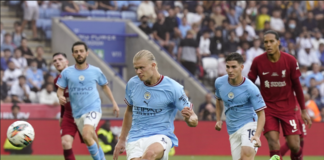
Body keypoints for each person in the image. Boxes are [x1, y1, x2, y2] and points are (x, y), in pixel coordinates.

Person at [113, 50, 198, 160]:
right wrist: (122, 140)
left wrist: (190, 119)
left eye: (141, 67)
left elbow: (193, 117)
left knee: (149, 155)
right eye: (136, 68)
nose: (138, 71)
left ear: (153, 65)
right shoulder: (132, 84)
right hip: (135, 138)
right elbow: (129, 112)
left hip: (160, 136)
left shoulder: (173, 87)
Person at [248, 30, 312, 160]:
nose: (268, 44)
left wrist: (303, 110)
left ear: (278, 42)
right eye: (266, 42)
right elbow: (249, 84)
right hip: (268, 109)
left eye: (271, 41)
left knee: (294, 145)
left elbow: (297, 87)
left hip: (288, 108)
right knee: (273, 142)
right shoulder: (258, 61)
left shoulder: (290, 60)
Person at [56, 41, 120, 160]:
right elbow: (60, 90)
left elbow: (105, 86)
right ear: (73, 55)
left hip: (93, 109)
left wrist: (114, 102)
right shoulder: (67, 72)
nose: (79, 54)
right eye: (76, 52)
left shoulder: (95, 71)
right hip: (77, 114)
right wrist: (60, 96)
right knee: (90, 139)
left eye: (81, 51)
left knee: (86, 134)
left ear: (87, 53)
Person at [214, 53, 266, 160]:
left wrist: (257, 134)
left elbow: (261, 114)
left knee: (246, 156)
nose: (230, 70)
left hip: (249, 123)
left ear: (241, 67)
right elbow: (218, 100)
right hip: (232, 129)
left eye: (234, 67)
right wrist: (219, 119)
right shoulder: (219, 82)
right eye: (228, 67)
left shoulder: (251, 88)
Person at [52, 52, 84, 160]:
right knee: (65, 143)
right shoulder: (56, 81)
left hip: (83, 114)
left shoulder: (77, 74)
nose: (57, 62)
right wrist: (61, 115)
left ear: (67, 61)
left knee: (91, 143)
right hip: (68, 115)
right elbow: (63, 100)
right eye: (55, 61)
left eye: (60, 59)